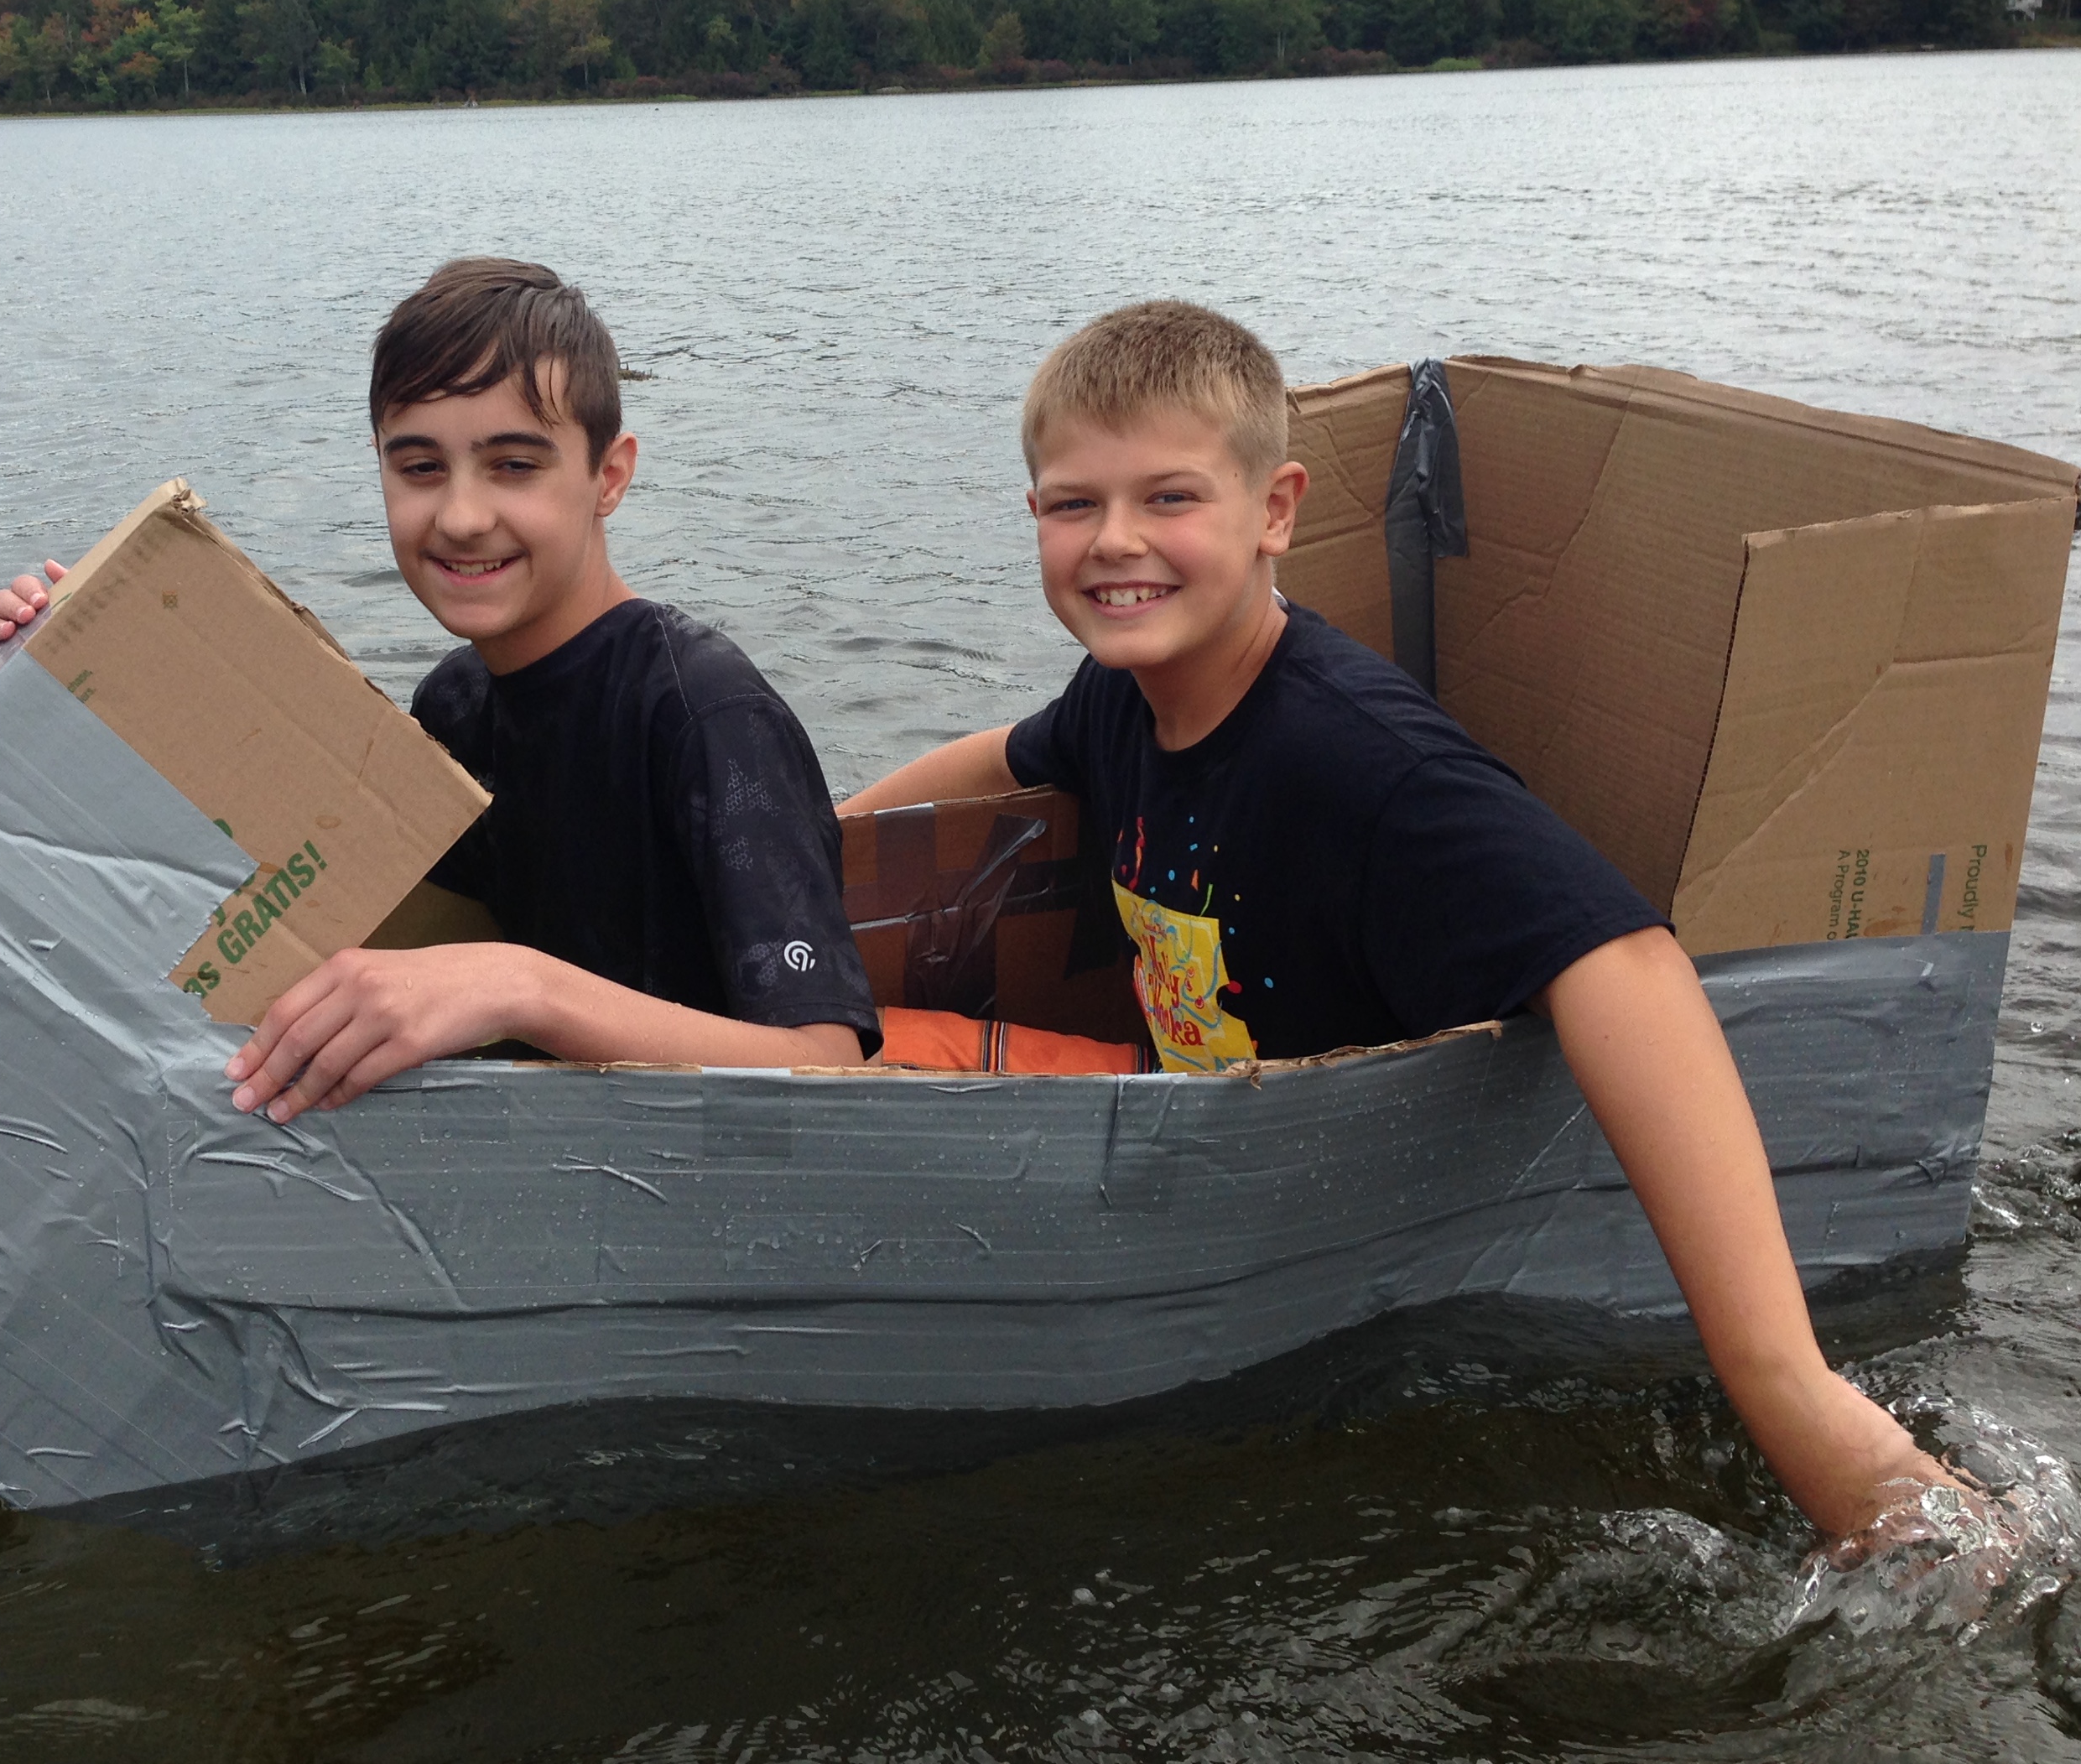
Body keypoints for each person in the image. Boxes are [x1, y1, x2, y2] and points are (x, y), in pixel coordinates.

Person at [838, 298, 1961, 1543]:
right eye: (1071, 505)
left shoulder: (1362, 765)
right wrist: (817, 849)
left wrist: (1785, 1385)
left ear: (1276, 511)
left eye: (1170, 499)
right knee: (846, 1036)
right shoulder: (1120, 697)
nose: (1116, 544)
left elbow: (1628, 963)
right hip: (1198, 1127)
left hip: (1357, 1227)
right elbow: (1002, 754)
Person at [0, 258, 878, 1123]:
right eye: (419, 468)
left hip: (715, 1178)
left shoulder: (704, 715)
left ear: (609, 476)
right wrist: (65, 660)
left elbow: (826, 1071)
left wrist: (518, 984)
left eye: (515, 466)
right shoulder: (458, 702)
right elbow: (317, 885)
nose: (461, 516)